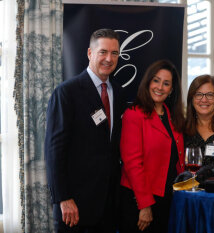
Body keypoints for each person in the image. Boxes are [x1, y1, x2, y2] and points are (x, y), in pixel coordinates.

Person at [45, 29, 126, 233]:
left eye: (114, 53)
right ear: (90, 53)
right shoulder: (67, 92)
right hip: (74, 208)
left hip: (108, 209)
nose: (109, 58)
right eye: (103, 52)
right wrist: (63, 198)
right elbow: (54, 151)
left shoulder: (119, 92)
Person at [119, 60, 185, 233]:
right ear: (148, 82)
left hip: (168, 198)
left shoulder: (172, 116)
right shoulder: (134, 114)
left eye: (166, 83)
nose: (160, 87)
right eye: (156, 80)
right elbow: (132, 164)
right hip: (141, 200)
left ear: (171, 90)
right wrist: (145, 205)